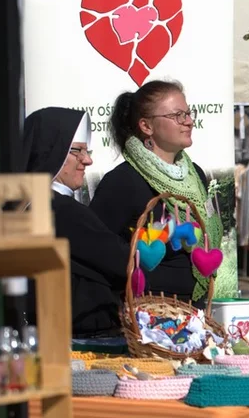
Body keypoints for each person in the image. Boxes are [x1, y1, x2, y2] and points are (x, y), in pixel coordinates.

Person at [90, 80, 224, 305]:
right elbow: (97, 249)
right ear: (146, 126)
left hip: (196, 310)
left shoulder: (196, 175)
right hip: (149, 315)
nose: (189, 121)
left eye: (189, 113)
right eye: (178, 115)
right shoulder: (124, 181)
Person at [20, 107, 130, 336]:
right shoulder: (61, 210)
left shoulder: (25, 206)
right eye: (77, 151)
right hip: (84, 334)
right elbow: (124, 262)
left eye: (86, 151)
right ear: (51, 150)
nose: (87, 160)